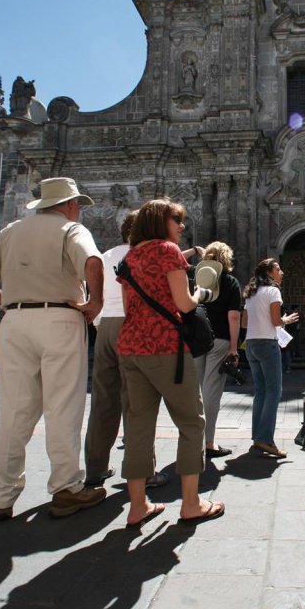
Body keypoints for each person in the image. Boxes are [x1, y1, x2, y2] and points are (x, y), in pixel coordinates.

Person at [0, 177, 107, 522]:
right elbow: (94, 263)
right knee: (63, 406)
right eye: (78, 206)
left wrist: (2, 300)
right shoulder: (70, 230)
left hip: (16, 323)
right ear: (71, 205)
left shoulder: (12, 230)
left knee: (14, 411)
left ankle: (0, 497)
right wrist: (95, 302)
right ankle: (66, 487)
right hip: (60, 317)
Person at [117, 199, 224, 525]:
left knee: (138, 427)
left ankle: (138, 507)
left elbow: (127, 308)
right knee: (191, 423)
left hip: (131, 347)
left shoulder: (130, 256)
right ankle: (191, 503)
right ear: (159, 223)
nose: (181, 227)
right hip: (165, 347)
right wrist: (203, 293)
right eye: (175, 221)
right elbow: (185, 304)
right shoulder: (167, 251)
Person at [83, 211, 168, 490]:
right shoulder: (142, 256)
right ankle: (142, 470)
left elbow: (93, 294)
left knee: (103, 401)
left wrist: (99, 324)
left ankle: (95, 469)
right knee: (137, 402)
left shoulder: (106, 255)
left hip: (105, 326)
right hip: (132, 325)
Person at [242, 258, 299, 458]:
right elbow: (276, 320)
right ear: (268, 273)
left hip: (251, 344)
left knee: (260, 391)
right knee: (274, 391)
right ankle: (265, 439)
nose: (281, 272)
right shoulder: (273, 291)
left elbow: (244, 323)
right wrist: (285, 320)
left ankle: (257, 436)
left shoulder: (251, 293)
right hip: (267, 344)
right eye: (278, 269)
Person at [191, 241, 243, 458]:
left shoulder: (194, 279)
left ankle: (191, 439)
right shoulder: (229, 281)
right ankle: (209, 442)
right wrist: (234, 347)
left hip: (194, 339)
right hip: (219, 340)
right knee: (212, 391)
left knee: (194, 392)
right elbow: (233, 316)